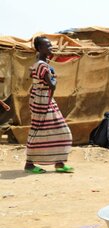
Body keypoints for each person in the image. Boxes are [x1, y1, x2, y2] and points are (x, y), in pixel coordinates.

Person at [25, 37, 73, 174]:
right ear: (39, 48)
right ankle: (29, 164)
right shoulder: (42, 65)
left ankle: (59, 163)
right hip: (42, 100)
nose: (51, 48)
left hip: (42, 99)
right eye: (48, 46)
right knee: (43, 130)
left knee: (53, 129)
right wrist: (54, 79)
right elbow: (52, 85)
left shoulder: (40, 64)